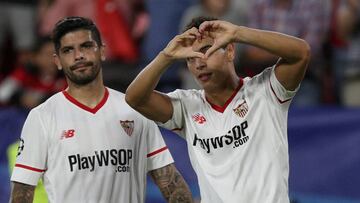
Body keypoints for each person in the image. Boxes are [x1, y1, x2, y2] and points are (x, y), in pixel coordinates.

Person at [125, 16, 310, 202]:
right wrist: (166, 56)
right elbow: (135, 98)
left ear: (229, 51)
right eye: (190, 58)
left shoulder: (265, 91)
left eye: (207, 51)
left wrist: (238, 33)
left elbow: (301, 53)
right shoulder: (187, 107)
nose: (199, 64)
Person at [9, 16, 193, 203]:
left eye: (86, 46)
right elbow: (22, 192)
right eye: (68, 50)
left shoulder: (134, 109)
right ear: (57, 61)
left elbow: (169, 180)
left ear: (102, 51)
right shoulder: (42, 117)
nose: (78, 55)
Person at [0, 36, 66, 109]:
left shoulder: (66, 78)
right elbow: (2, 94)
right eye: (48, 54)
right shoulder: (23, 74)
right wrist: (20, 98)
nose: (53, 59)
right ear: (35, 57)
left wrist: (40, 100)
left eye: (57, 55)